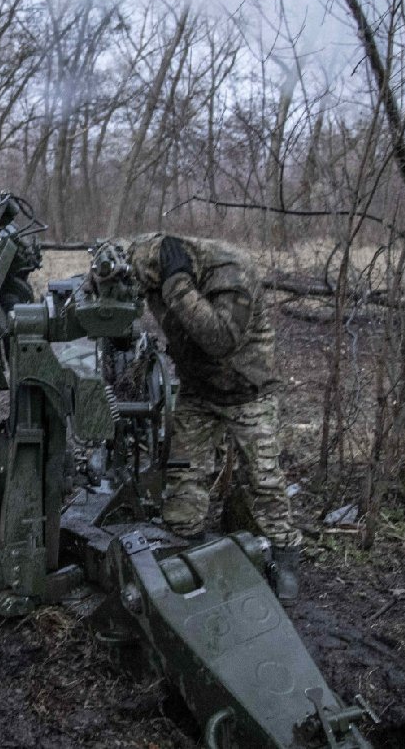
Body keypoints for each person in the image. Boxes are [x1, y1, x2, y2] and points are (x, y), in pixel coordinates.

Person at [127, 233, 302, 604]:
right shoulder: (157, 268)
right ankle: (184, 549)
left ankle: (286, 556)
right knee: (183, 477)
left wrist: (177, 287)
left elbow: (220, 339)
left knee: (264, 480)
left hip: (247, 390)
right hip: (199, 390)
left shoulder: (231, 271)